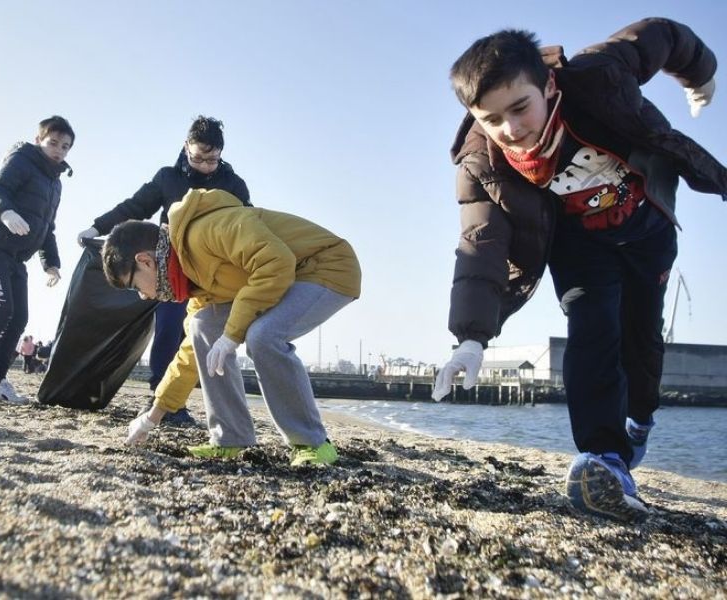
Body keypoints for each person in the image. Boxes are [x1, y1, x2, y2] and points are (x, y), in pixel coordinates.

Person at [433, 18, 725, 521]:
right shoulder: (483, 165)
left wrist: (700, 77)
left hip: (647, 225)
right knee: (592, 332)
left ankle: (639, 421)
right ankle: (604, 459)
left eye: (520, 108)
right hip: (579, 247)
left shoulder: (598, 75)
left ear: (546, 85)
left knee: (641, 337)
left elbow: (662, 34)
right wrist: (472, 337)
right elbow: (480, 244)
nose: (511, 129)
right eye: (492, 119)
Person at [100, 188, 362, 466]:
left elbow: (276, 262)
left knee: (263, 336)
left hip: (326, 266)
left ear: (146, 261)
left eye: (134, 285)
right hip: (286, 277)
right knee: (202, 326)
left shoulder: (209, 230)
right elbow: (190, 354)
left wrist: (232, 334)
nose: (143, 295)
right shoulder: (194, 281)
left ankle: (313, 444)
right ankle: (230, 438)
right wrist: (153, 416)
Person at [77, 116, 250, 426]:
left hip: (214, 274)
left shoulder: (234, 186)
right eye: (198, 157)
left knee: (204, 334)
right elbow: (134, 207)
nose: (205, 166)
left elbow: (248, 225)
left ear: (221, 154)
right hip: (170, 272)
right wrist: (97, 227)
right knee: (170, 330)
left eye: (212, 159)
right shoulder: (168, 178)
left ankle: (201, 406)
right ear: (186, 148)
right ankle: (163, 398)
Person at [0, 116, 75, 403]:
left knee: (19, 317)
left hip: (17, 258)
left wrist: (51, 263)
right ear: (39, 140)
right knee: (0, 310)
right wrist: (6, 213)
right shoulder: (22, 160)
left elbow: (47, 227)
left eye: (65, 146)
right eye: (53, 143)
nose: (59, 150)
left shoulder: (55, 183)